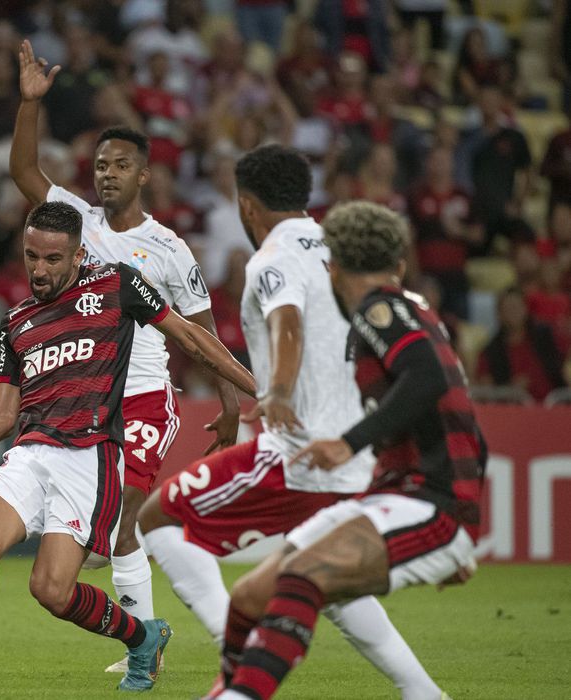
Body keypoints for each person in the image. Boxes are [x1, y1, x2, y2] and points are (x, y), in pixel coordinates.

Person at [0, 201, 256, 692]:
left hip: (90, 455)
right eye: (32, 256)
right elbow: (0, 417)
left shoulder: (118, 284)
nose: (40, 269)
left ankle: (142, 638)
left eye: (53, 259)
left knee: (51, 591)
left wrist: (260, 393)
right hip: (30, 451)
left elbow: (192, 338)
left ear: (78, 255)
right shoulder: (16, 321)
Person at [136, 145, 452, 700]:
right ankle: (422, 691)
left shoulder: (272, 257)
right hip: (353, 446)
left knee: (160, 516)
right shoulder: (337, 247)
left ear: (248, 206)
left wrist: (277, 389)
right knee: (326, 577)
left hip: (299, 449)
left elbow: (288, 320)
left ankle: (232, 654)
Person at [9, 39, 243, 672]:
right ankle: (146, 642)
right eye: (100, 164)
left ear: (144, 175)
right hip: (83, 398)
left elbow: (202, 332)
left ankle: (149, 645)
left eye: (119, 165)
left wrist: (232, 407)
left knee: (120, 523)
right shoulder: (76, 220)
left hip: (141, 393)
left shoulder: (169, 249)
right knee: (119, 531)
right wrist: (30, 105)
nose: (105, 173)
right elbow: (26, 174)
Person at [213, 201, 485, 700]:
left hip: (429, 501)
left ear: (331, 267)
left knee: (301, 575)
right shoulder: (411, 312)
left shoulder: (379, 310)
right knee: (251, 594)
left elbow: (424, 380)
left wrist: (347, 443)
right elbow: (465, 423)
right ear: (399, 263)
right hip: (404, 498)